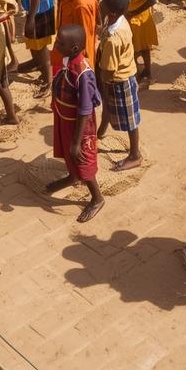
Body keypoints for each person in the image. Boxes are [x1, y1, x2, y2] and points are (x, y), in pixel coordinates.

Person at [44, 24, 106, 223]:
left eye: (60, 43)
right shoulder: (67, 61)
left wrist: (77, 141)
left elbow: (85, 110)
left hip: (79, 126)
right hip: (64, 118)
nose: (56, 45)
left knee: (81, 157)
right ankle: (72, 176)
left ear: (74, 48)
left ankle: (96, 197)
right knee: (67, 151)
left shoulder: (83, 73)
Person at [96, 0, 144, 172]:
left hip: (118, 81)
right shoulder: (120, 21)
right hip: (124, 75)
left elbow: (108, 70)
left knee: (129, 119)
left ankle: (135, 155)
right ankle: (101, 131)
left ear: (112, 12)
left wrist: (99, 81)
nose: (100, 4)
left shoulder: (113, 39)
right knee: (108, 107)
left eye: (103, 3)